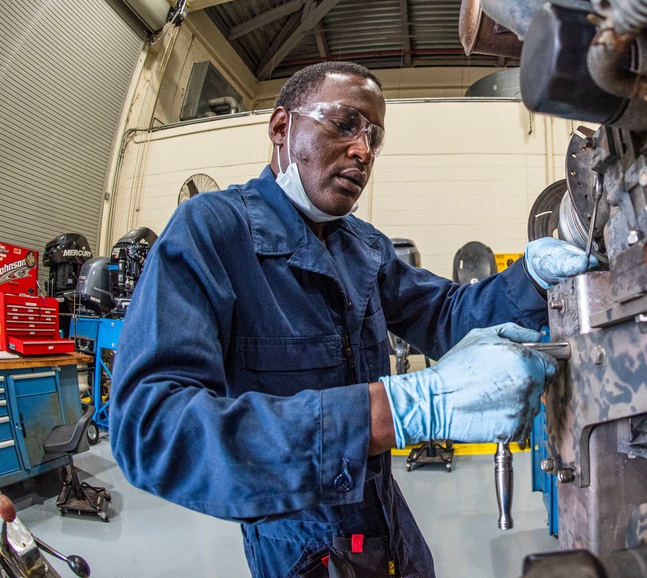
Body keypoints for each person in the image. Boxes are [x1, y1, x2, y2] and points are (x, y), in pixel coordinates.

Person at [109, 61, 594, 577]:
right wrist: (396, 410)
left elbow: (448, 315)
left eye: (374, 136)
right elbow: (152, 426)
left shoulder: (362, 246)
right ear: (281, 128)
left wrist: (532, 279)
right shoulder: (212, 232)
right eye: (344, 124)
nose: (363, 150)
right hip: (300, 542)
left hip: (383, 512)